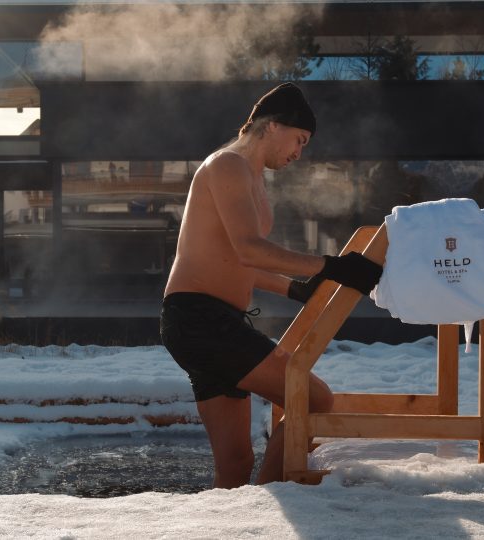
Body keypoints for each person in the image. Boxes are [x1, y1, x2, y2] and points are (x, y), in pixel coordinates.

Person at [160, 83, 384, 487]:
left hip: (206, 322)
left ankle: (236, 525)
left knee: (235, 464)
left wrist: (296, 289)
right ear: (273, 126)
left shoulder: (251, 178)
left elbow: (233, 259)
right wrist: (330, 267)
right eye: (298, 140)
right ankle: (270, 510)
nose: (299, 154)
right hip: (201, 320)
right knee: (314, 399)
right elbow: (249, 250)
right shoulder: (226, 165)